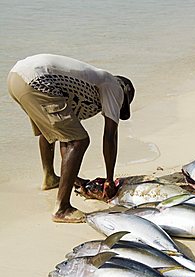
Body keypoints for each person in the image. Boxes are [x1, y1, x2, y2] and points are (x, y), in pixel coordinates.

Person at [7, 54, 135, 223]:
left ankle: (50, 178)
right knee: (80, 141)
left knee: (55, 133)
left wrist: (74, 178)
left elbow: (63, 136)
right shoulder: (114, 85)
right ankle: (62, 208)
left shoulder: (86, 89)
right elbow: (110, 136)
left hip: (16, 78)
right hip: (38, 80)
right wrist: (109, 179)